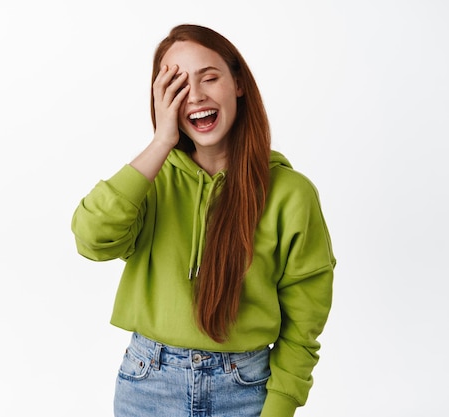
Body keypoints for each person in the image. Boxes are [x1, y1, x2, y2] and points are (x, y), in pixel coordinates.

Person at [71, 24, 336, 417]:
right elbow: (91, 239)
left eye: (209, 78)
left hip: (248, 390)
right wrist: (161, 141)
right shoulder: (150, 182)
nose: (194, 96)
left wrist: (280, 407)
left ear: (238, 83)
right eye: (176, 86)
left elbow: (304, 323)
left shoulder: (291, 193)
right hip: (149, 386)